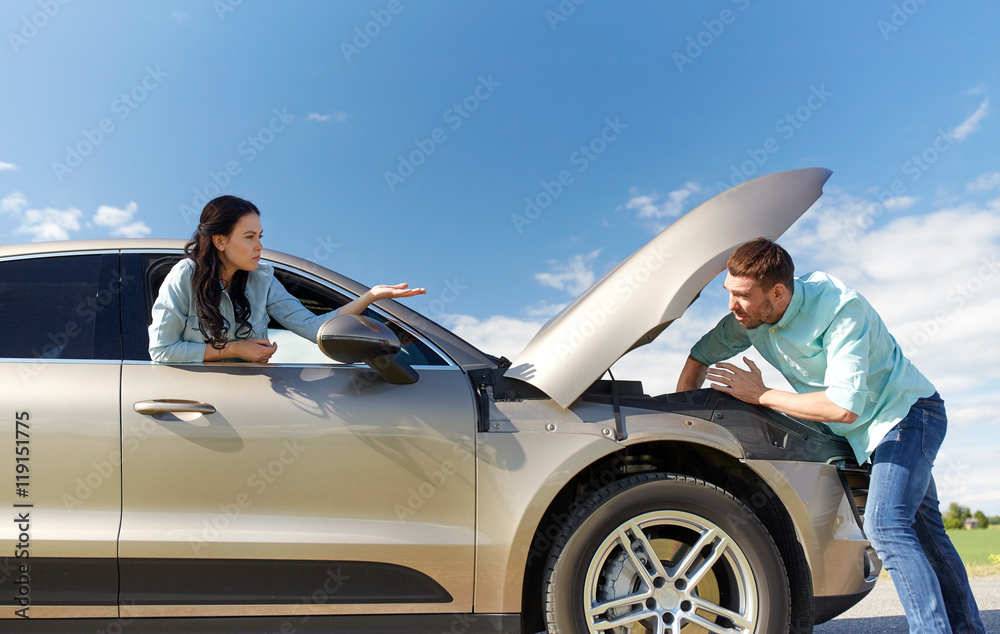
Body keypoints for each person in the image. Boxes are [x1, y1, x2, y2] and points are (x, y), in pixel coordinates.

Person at [676, 238, 984, 633]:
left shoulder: (840, 309)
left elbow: (844, 407)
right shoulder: (749, 320)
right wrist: (687, 424)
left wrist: (762, 394)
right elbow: (699, 356)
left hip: (907, 415)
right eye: (728, 293)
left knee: (887, 526)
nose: (732, 305)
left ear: (778, 292)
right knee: (927, 534)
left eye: (741, 296)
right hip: (864, 436)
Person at [149, 195, 424, 363]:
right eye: (249, 237)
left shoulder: (263, 278)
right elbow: (162, 351)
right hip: (201, 403)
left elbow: (314, 327)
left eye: (260, 236)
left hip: (255, 401)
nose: (259, 246)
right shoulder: (185, 276)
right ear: (220, 240)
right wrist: (236, 349)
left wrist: (371, 296)